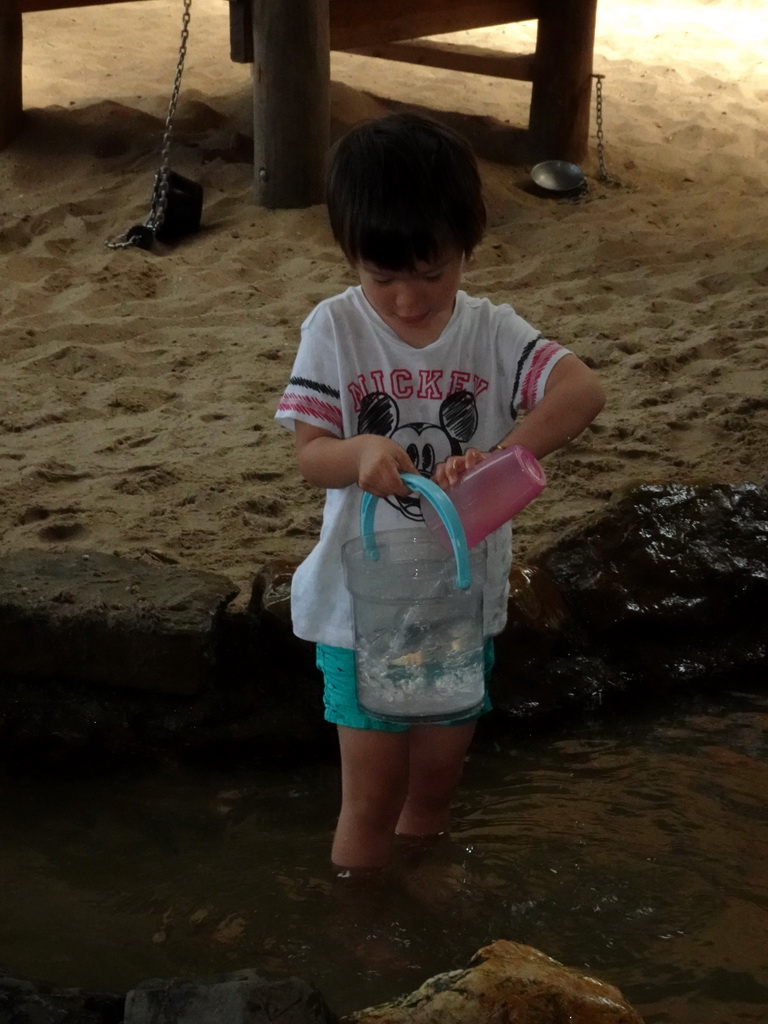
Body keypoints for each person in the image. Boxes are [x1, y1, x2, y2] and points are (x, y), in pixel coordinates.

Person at [276, 111, 605, 874]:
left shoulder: (492, 332)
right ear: (351, 256)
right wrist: (358, 451)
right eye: (382, 277)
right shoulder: (335, 330)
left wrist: (498, 459)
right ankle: (362, 935)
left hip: (457, 605)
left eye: (431, 274)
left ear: (466, 247)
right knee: (372, 796)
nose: (408, 301)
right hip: (362, 614)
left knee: (434, 787)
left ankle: (423, 918)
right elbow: (310, 457)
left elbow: (582, 390)